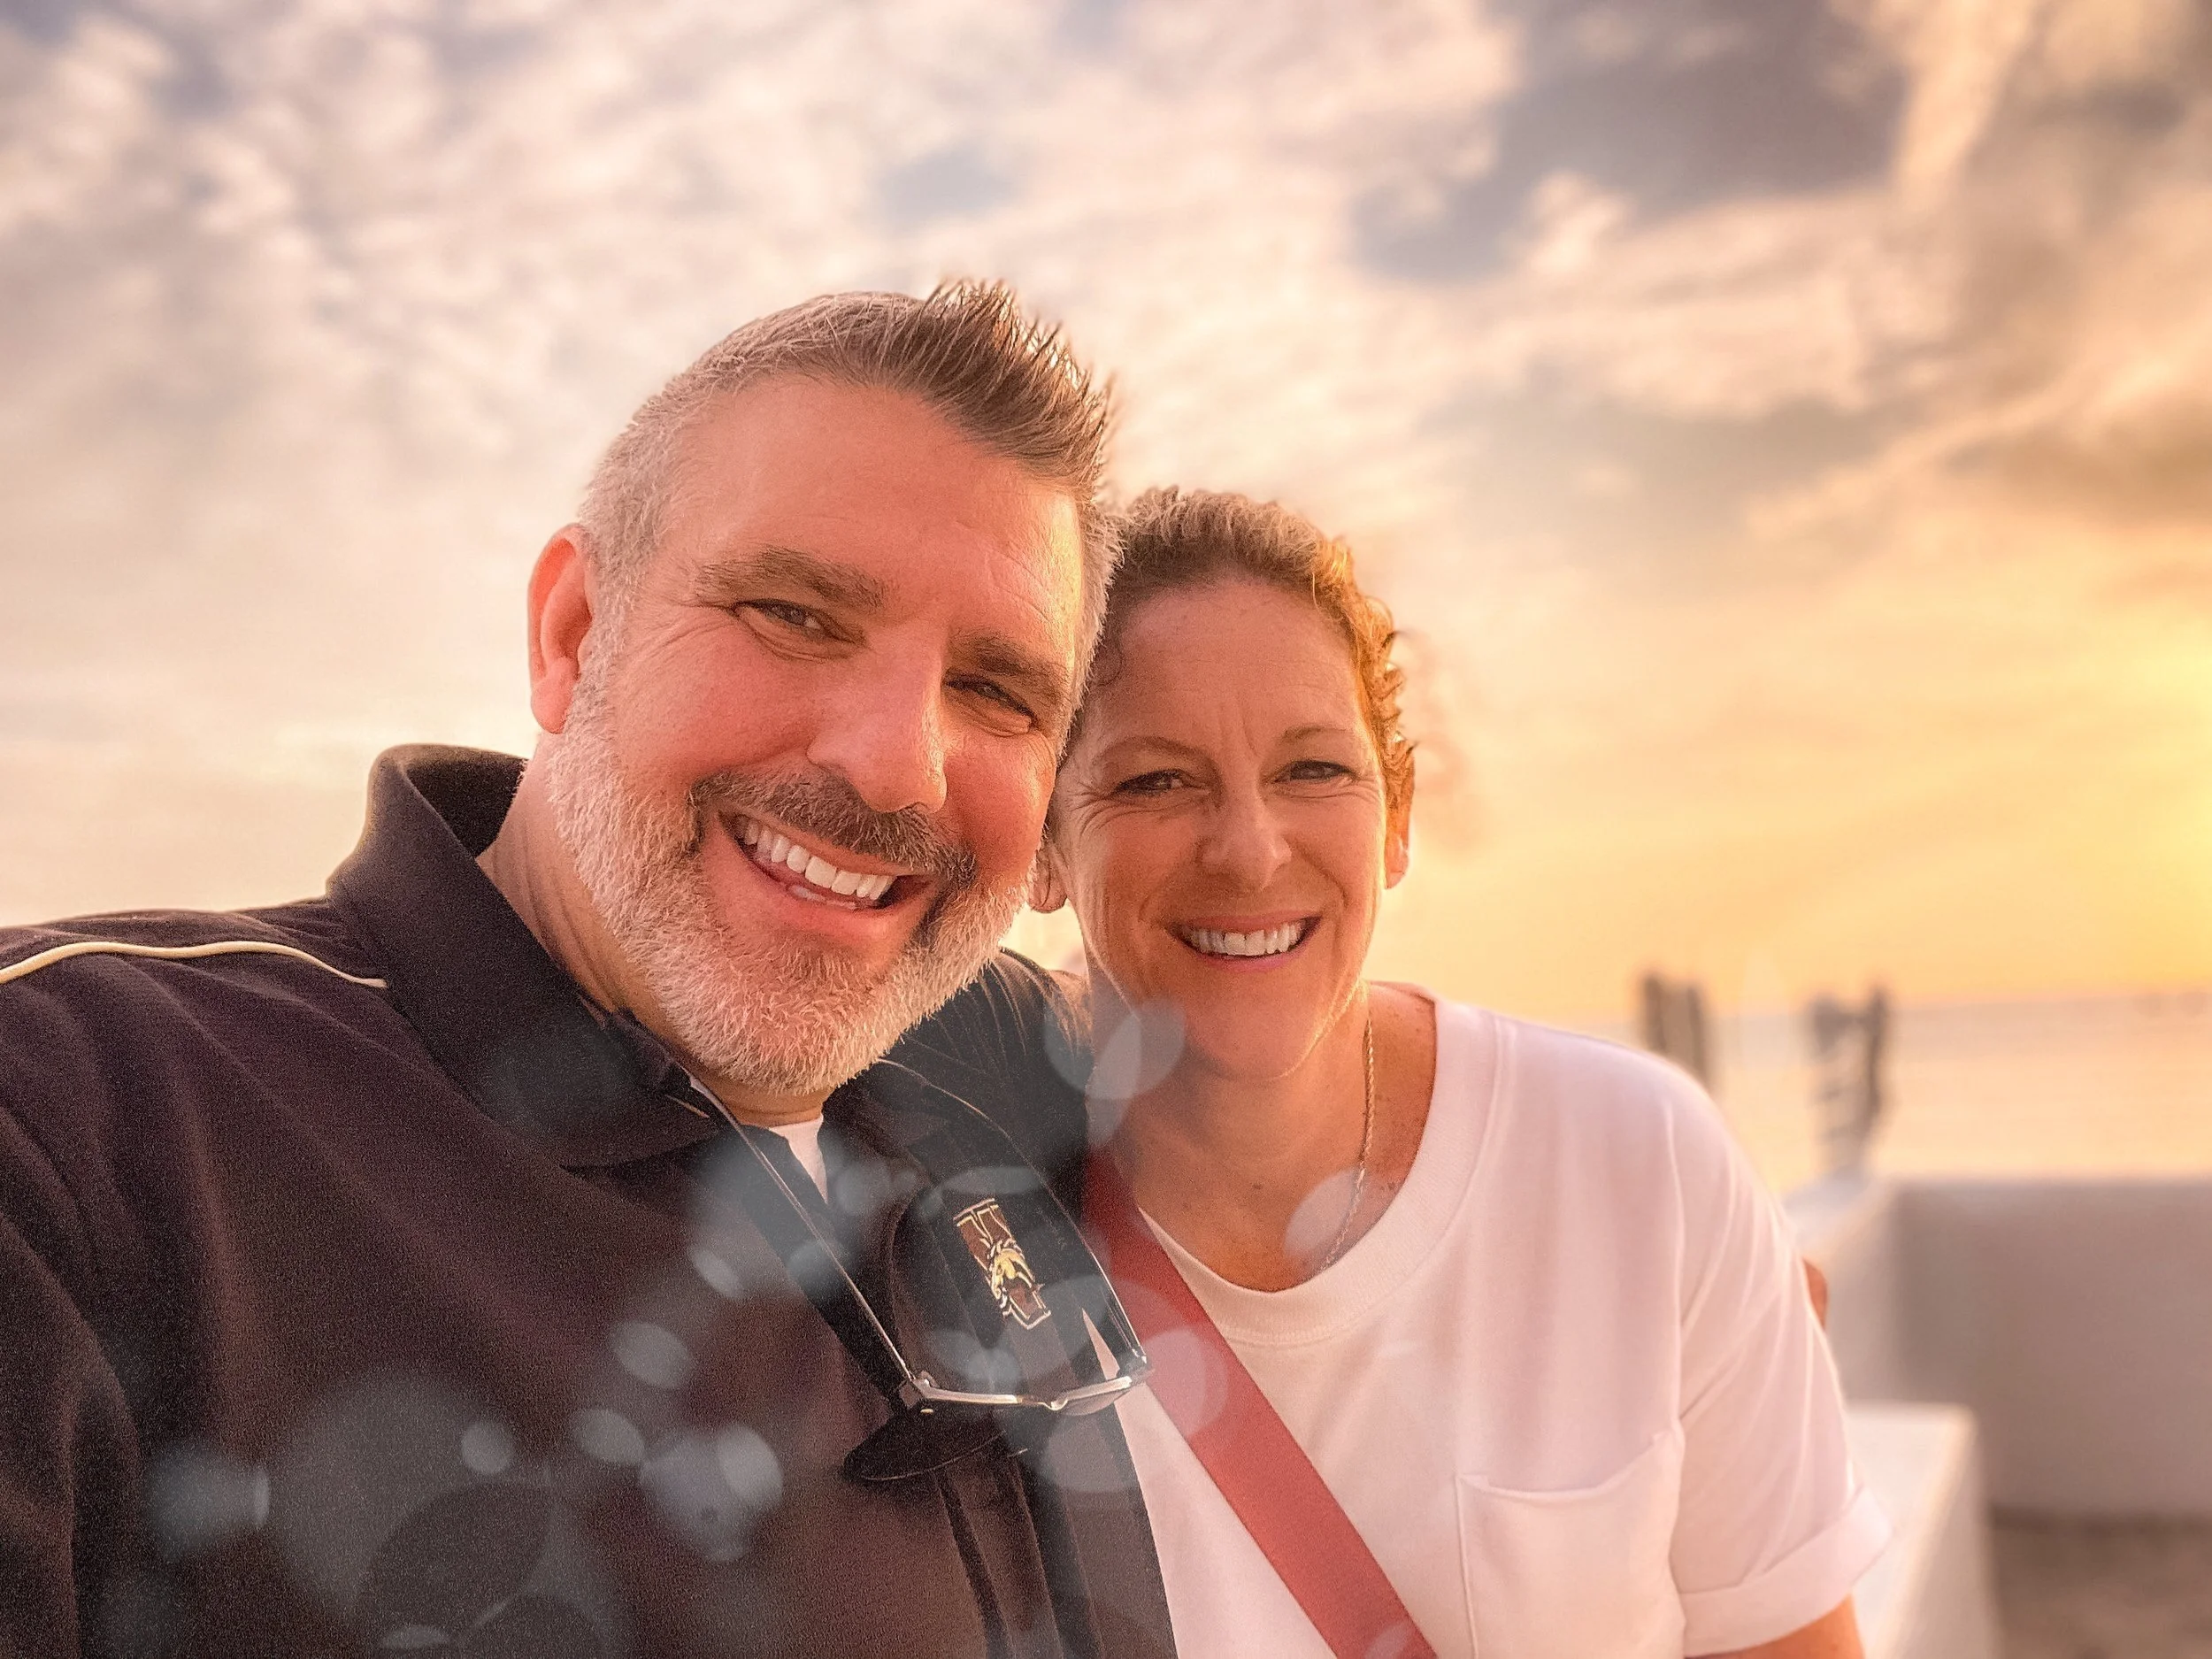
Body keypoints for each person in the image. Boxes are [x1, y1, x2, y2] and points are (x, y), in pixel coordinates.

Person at [0, 285, 1173, 1658]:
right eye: (795, 613)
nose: (897, 765)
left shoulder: (980, 1109)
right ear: (572, 631)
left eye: (998, 691)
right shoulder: (82, 1124)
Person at [1028, 488, 1891, 1658]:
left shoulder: (1636, 1160)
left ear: (1396, 815)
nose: (1249, 849)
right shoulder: (965, 1237)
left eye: (1313, 769)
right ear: (1042, 841)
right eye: (1155, 781)